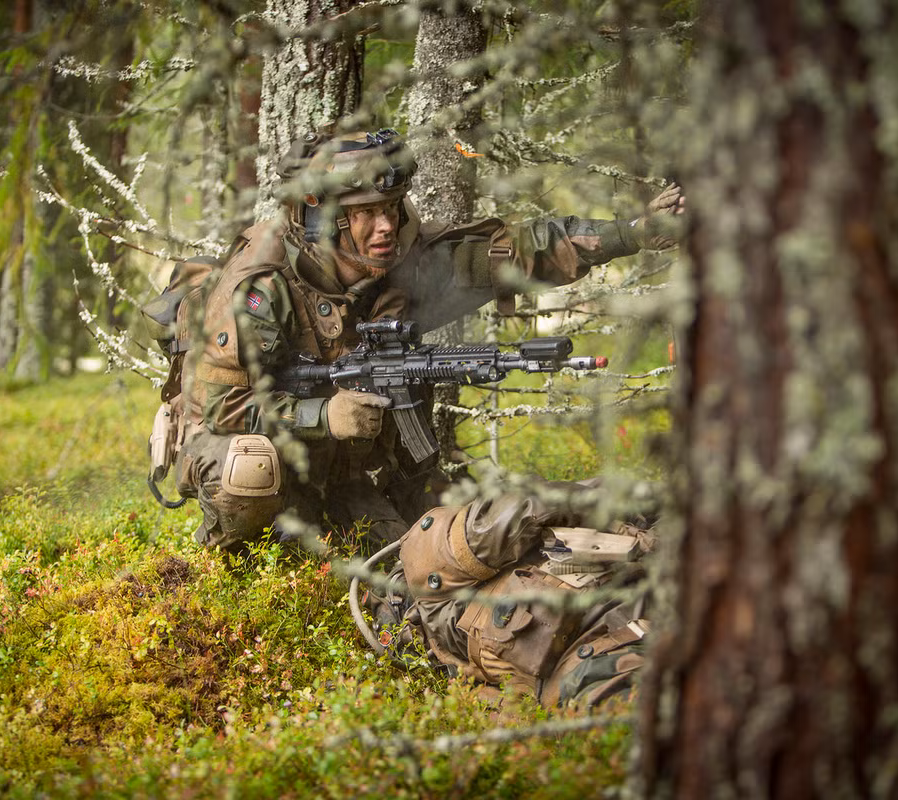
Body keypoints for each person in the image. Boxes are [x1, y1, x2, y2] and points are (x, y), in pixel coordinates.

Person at [154, 127, 684, 554]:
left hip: (343, 472)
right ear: (322, 219)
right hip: (240, 450)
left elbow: (522, 252)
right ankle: (236, 561)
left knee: (417, 562)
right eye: (366, 213)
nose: (386, 226)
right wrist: (325, 415)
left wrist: (632, 233)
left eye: (391, 208)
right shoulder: (259, 289)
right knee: (248, 467)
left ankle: (332, 526)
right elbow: (223, 409)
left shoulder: (403, 263)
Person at [352, 484, 655, 709]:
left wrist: (627, 529)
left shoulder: (429, 565)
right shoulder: (453, 664)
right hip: (595, 662)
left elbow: (527, 507)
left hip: (621, 624)